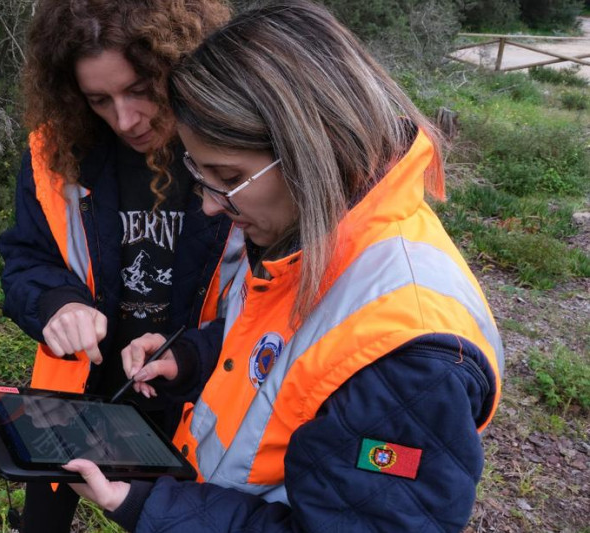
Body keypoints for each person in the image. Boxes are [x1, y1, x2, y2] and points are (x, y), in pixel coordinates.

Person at [62, 2, 505, 531]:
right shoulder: (311, 238)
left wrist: (147, 506)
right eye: (199, 173)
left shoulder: (410, 363)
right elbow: (287, 358)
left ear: (309, 151)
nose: (209, 205)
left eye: (228, 176)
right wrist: (193, 357)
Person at [0, 0, 235, 531]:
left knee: (175, 518)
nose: (124, 120)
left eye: (141, 91)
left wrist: (195, 354)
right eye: (98, 99)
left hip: (197, 394)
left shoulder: (234, 153)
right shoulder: (56, 153)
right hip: (77, 393)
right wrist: (57, 303)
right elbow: (25, 259)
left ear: (181, 67)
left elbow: (272, 296)